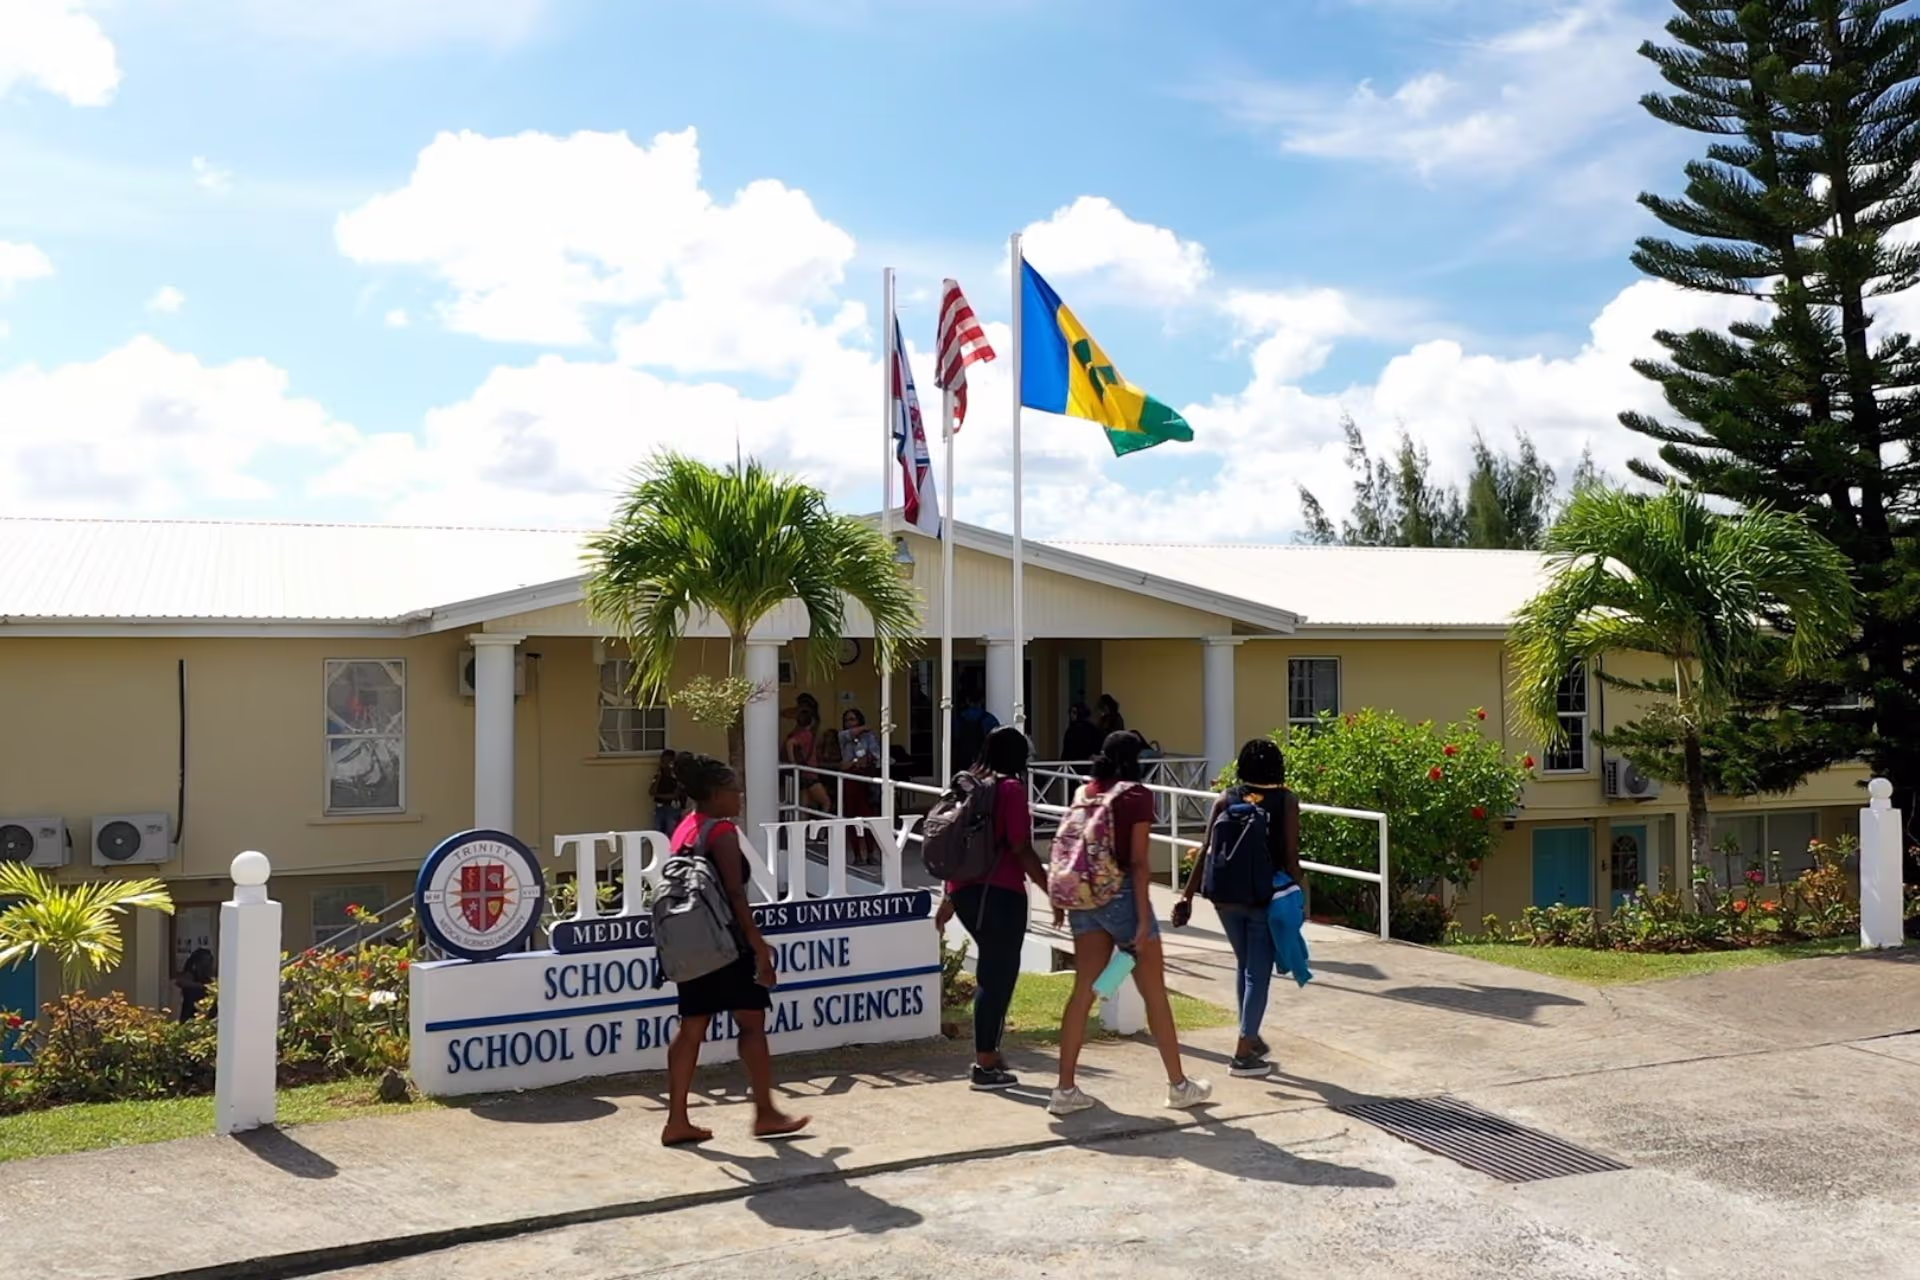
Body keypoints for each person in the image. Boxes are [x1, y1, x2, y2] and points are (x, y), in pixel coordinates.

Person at [1050, 730, 1211, 1115]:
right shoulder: (1137, 796)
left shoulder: (1084, 792)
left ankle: (1064, 1090)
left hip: (1084, 897)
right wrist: (1142, 918)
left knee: (1082, 993)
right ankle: (1178, 1086)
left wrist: (1060, 901)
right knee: (1155, 993)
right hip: (1121, 897)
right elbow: (1139, 862)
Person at [660, 752, 810, 1147]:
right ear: (714, 794)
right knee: (751, 1023)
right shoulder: (722, 832)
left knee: (691, 1026)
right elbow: (736, 897)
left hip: (694, 944)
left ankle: (676, 1120)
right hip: (728, 945)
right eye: (733, 790)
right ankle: (766, 1113)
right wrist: (759, 948)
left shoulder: (686, 828)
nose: (739, 795)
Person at [1173, 738, 1300, 1078]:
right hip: (1263, 897)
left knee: (1246, 964)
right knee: (1258, 973)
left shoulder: (1226, 798)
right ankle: (1244, 1053)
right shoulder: (1286, 801)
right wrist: (1300, 898)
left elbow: (1205, 848)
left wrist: (1186, 896)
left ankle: (1250, 1032)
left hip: (1224, 897)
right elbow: (1291, 855)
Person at [933, 726, 1047, 1090]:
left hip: (967, 894)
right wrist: (1050, 890)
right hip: (1000, 894)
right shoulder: (1010, 790)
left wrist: (949, 897)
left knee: (993, 973)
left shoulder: (972, 787)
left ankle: (992, 1054)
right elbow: (1020, 847)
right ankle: (984, 1063)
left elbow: (962, 845)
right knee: (997, 979)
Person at [839, 708, 882, 866]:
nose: (850, 723)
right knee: (852, 817)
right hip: (850, 779)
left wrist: (865, 759)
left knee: (869, 817)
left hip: (866, 779)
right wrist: (856, 762)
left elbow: (876, 755)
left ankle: (871, 853)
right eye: (847, 720)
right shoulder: (843, 736)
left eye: (853, 719)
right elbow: (845, 764)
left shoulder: (869, 737)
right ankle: (857, 855)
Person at [785, 703, 831, 816]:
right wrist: (793, 762)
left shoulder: (798, 733)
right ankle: (821, 829)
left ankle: (804, 830)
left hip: (803, 773)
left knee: (803, 805)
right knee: (826, 802)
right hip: (809, 774)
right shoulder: (807, 735)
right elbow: (790, 743)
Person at [952, 686, 999, 779]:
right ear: (982, 701)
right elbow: (997, 740)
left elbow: (954, 738)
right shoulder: (989, 719)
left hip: (963, 761)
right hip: (983, 763)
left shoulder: (958, 719)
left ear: (967, 701)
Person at [651, 748, 686, 835]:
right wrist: (659, 776)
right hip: (660, 808)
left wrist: (658, 795)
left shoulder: (678, 776)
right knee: (658, 831)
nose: (666, 764)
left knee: (671, 831)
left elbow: (675, 795)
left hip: (673, 808)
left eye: (668, 761)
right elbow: (652, 791)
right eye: (664, 761)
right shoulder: (659, 776)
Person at [174, 946, 214, 1022]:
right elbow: (180, 982)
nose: (208, 966)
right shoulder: (190, 975)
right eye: (205, 962)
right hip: (189, 1017)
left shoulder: (208, 979)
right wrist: (202, 986)